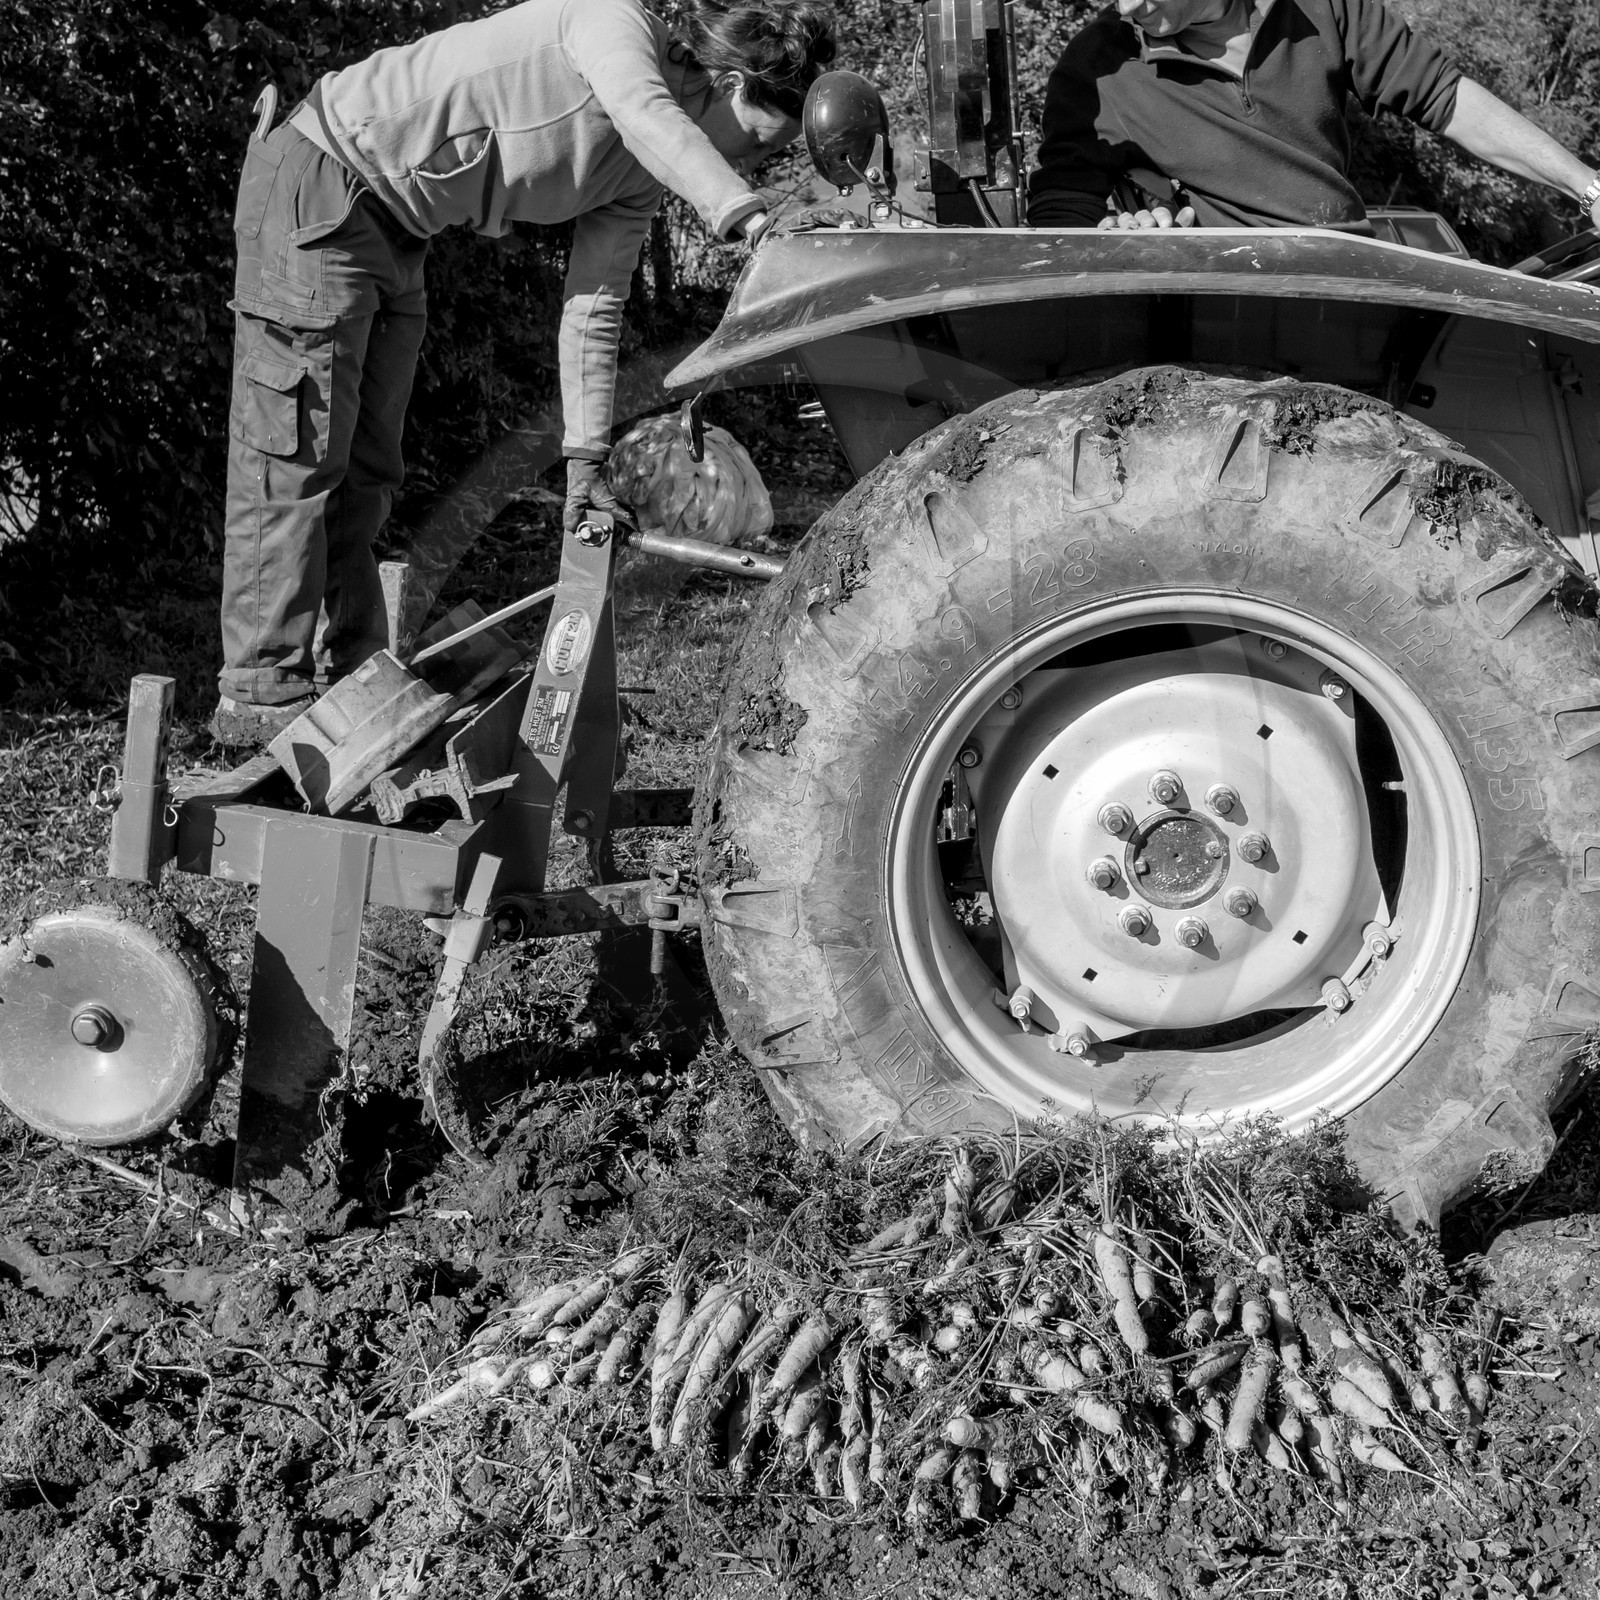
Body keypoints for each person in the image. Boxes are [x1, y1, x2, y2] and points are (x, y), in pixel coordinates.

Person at [213, 0, 836, 746]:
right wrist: (752, 216)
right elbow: (641, 110)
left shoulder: (639, 177)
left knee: (369, 468)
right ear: (736, 84)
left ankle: (351, 677)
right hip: (320, 185)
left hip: (397, 233)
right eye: (761, 149)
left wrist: (584, 462)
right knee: (298, 457)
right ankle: (260, 693)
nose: (749, 166)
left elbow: (594, 305)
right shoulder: (615, 26)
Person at [1027, 0, 1600, 236]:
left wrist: (1588, 188)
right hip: (1213, 302)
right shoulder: (1097, 64)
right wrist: (1121, 237)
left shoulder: (1324, 9)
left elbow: (1448, 100)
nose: (1125, 7)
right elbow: (1062, 217)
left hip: (1347, 269)